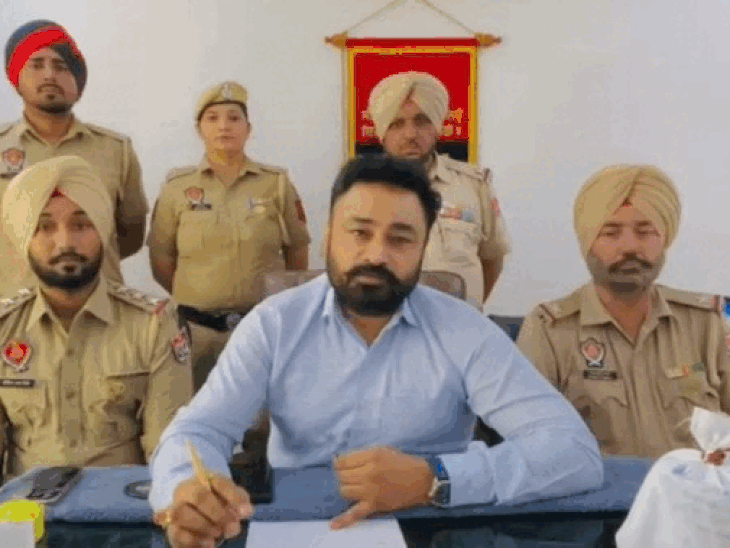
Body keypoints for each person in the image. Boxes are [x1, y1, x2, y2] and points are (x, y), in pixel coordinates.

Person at [148, 155, 603, 548]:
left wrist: (435, 478)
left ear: (424, 247)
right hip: (300, 529)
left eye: (400, 239)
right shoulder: (274, 324)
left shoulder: (465, 330)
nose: (376, 254)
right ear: (330, 236)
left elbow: (572, 451)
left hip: (432, 528)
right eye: (359, 232)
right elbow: (200, 429)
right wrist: (186, 489)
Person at [517, 164, 730, 458]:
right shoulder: (550, 329)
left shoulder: (707, 323)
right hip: (600, 489)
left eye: (645, 231)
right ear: (587, 243)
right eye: (611, 232)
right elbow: (531, 443)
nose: (630, 246)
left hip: (697, 486)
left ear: (665, 239)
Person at [0, 155, 192, 480]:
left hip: (122, 505)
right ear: (24, 240)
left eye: (81, 225)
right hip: (26, 506)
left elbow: (170, 451)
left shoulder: (153, 325)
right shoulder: (5, 328)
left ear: (102, 230)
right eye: (45, 227)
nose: (65, 243)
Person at [147, 81, 310, 391]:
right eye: (213, 118)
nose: (224, 126)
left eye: (234, 118)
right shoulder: (176, 188)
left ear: (249, 129)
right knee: (194, 413)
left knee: (261, 416)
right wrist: (202, 295)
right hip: (196, 333)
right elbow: (161, 260)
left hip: (260, 330)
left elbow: (297, 254)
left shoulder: (275, 184)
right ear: (199, 129)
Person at [0, 20, 148, 296]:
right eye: (37, 64)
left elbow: (129, 236)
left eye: (61, 66)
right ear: (16, 77)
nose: (49, 75)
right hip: (15, 313)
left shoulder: (115, 150)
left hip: (101, 310)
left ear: (77, 81)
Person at [368, 71, 510, 309]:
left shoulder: (473, 185)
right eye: (397, 124)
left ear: (437, 127)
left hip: (459, 325)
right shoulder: (359, 190)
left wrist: (465, 312)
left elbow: (492, 259)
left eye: (422, 121)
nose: (410, 134)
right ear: (380, 133)